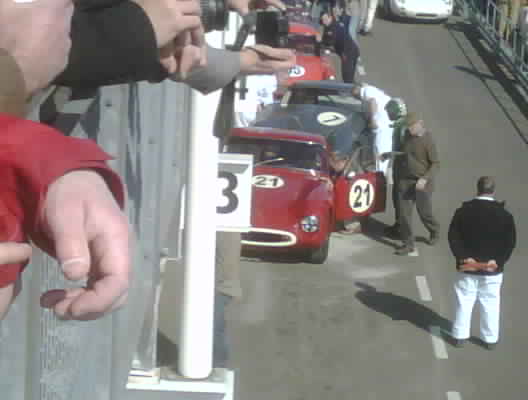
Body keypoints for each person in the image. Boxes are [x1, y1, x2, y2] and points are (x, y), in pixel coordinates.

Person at [447, 176, 516, 349]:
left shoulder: (463, 211)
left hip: (468, 266)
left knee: (464, 300)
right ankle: (490, 338)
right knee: (490, 302)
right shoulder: (505, 215)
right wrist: (498, 261)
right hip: (492, 267)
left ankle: (460, 335)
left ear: (477, 189)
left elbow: (453, 237)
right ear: (493, 191)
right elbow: (510, 243)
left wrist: (463, 257)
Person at [393, 112, 440, 256]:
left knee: (424, 213)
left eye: (412, 126)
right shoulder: (407, 136)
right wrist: (391, 154)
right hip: (405, 180)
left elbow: (436, 164)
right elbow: (404, 152)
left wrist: (424, 178)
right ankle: (408, 244)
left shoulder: (428, 140)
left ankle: (434, 230)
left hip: (422, 183)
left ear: (420, 123)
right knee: (404, 214)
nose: (410, 130)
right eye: (408, 127)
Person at [350, 83, 394, 175]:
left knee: (380, 150)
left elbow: (372, 101)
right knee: (385, 149)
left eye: (356, 97)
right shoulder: (371, 88)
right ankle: (383, 172)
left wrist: (373, 119)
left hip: (382, 125)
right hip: (388, 121)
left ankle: (380, 175)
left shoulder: (365, 92)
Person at [383, 97, 408, 239]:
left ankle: (402, 230)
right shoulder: (400, 124)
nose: (387, 114)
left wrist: (389, 155)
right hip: (400, 166)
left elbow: (406, 150)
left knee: (400, 200)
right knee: (396, 198)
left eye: (389, 111)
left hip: (403, 168)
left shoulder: (402, 127)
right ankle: (399, 224)